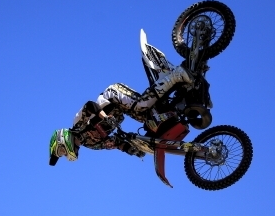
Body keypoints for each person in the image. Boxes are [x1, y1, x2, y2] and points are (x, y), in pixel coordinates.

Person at [49, 66, 192, 166]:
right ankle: (184, 99)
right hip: (123, 110)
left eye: (61, 151)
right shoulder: (92, 145)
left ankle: (176, 75)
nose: (65, 155)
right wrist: (131, 149)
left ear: (61, 139)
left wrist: (105, 117)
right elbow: (115, 143)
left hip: (113, 97)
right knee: (154, 122)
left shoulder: (78, 125)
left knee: (141, 105)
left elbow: (90, 106)